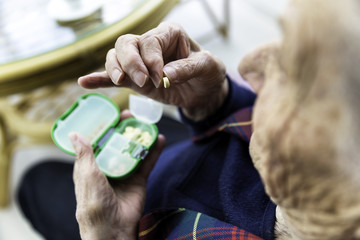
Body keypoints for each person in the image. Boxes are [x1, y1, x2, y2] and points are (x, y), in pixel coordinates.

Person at [18, 0, 360, 239]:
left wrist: (107, 236)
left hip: (132, 217)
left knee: (34, 182)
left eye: (289, 70)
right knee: (162, 131)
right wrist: (214, 103)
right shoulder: (310, 167)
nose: (245, 66)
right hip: (189, 149)